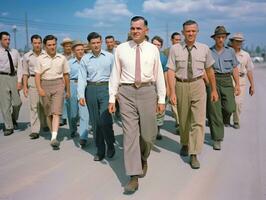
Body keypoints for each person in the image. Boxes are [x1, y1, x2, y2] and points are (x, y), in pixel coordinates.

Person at [108, 16, 166, 194]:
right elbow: (115, 73)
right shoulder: (121, 49)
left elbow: (159, 75)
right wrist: (112, 97)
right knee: (130, 135)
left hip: (148, 92)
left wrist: (161, 99)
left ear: (146, 30)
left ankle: (143, 157)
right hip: (126, 93)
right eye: (132, 28)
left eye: (139, 28)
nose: (135, 31)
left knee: (149, 135)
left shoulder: (153, 50)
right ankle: (133, 176)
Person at [167, 20, 218, 169]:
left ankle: (194, 153)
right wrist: (172, 92)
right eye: (187, 31)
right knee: (183, 119)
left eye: (193, 31)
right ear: (183, 33)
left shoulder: (204, 49)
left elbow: (209, 70)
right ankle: (184, 142)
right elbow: (170, 71)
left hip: (198, 85)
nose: (190, 34)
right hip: (181, 85)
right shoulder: (175, 49)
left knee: (199, 120)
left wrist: (214, 90)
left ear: (197, 32)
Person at [78, 32, 115, 161]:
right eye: (93, 43)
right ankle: (100, 150)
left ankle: (110, 144)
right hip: (91, 89)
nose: (96, 45)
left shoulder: (110, 57)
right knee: (95, 122)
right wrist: (81, 95)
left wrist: (115, 94)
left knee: (105, 121)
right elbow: (82, 78)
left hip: (106, 89)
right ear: (89, 44)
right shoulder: (85, 59)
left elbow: (115, 76)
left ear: (101, 42)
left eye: (98, 42)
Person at [207, 26, 240, 150]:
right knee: (215, 112)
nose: (221, 39)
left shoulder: (230, 51)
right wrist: (207, 82)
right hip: (213, 80)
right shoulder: (209, 51)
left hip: (226, 80)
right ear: (214, 38)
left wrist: (237, 84)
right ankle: (217, 138)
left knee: (230, 107)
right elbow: (207, 69)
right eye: (218, 37)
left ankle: (224, 119)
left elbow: (235, 68)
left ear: (225, 38)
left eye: (223, 37)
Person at [35, 35, 70, 149]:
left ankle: (54, 137)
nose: (52, 47)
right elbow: (37, 75)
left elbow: (66, 75)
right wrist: (39, 88)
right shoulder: (40, 59)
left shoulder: (62, 58)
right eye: (49, 45)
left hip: (58, 84)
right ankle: (53, 133)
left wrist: (67, 90)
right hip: (45, 85)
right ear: (45, 46)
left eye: (54, 44)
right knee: (48, 113)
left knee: (56, 112)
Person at [22, 34, 48, 139]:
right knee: (34, 106)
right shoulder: (27, 56)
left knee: (44, 104)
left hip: (44, 79)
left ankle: (45, 124)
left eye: (39, 43)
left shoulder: (46, 54)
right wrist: (25, 86)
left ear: (41, 43)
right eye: (35, 43)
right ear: (32, 43)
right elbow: (25, 72)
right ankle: (35, 130)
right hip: (32, 80)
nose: (37, 45)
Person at [67, 41, 90, 147]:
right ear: (73, 51)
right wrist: (67, 90)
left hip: (85, 86)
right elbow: (66, 78)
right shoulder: (70, 63)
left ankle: (83, 137)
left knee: (84, 112)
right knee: (73, 113)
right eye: (78, 50)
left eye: (82, 49)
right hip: (73, 85)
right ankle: (72, 128)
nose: (80, 52)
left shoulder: (89, 60)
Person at [229, 33, 255, 129]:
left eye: (241, 41)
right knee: (227, 103)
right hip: (228, 79)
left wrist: (252, 85)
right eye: (237, 41)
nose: (239, 43)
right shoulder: (227, 53)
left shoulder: (245, 55)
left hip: (241, 81)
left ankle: (236, 120)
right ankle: (227, 118)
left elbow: (249, 70)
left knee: (238, 103)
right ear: (232, 42)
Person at [0, 31, 23, 136]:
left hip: (13, 77)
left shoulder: (15, 52)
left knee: (18, 103)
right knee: (5, 105)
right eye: (5, 39)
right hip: (2, 78)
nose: (8, 41)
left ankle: (13, 119)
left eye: (9, 39)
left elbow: (20, 68)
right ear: (0, 40)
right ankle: (8, 126)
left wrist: (19, 81)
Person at [151, 35, 169, 140]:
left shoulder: (163, 58)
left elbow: (166, 73)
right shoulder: (146, 55)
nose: (156, 46)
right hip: (149, 86)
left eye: (158, 45)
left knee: (160, 109)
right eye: (154, 44)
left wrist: (167, 88)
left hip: (159, 86)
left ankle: (158, 130)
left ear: (161, 46)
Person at [60, 37, 73, 126]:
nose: (68, 47)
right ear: (63, 47)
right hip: (62, 80)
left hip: (72, 80)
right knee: (62, 100)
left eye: (69, 46)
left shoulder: (75, 55)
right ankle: (63, 118)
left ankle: (75, 118)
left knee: (73, 99)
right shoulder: (60, 57)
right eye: (66, 46)